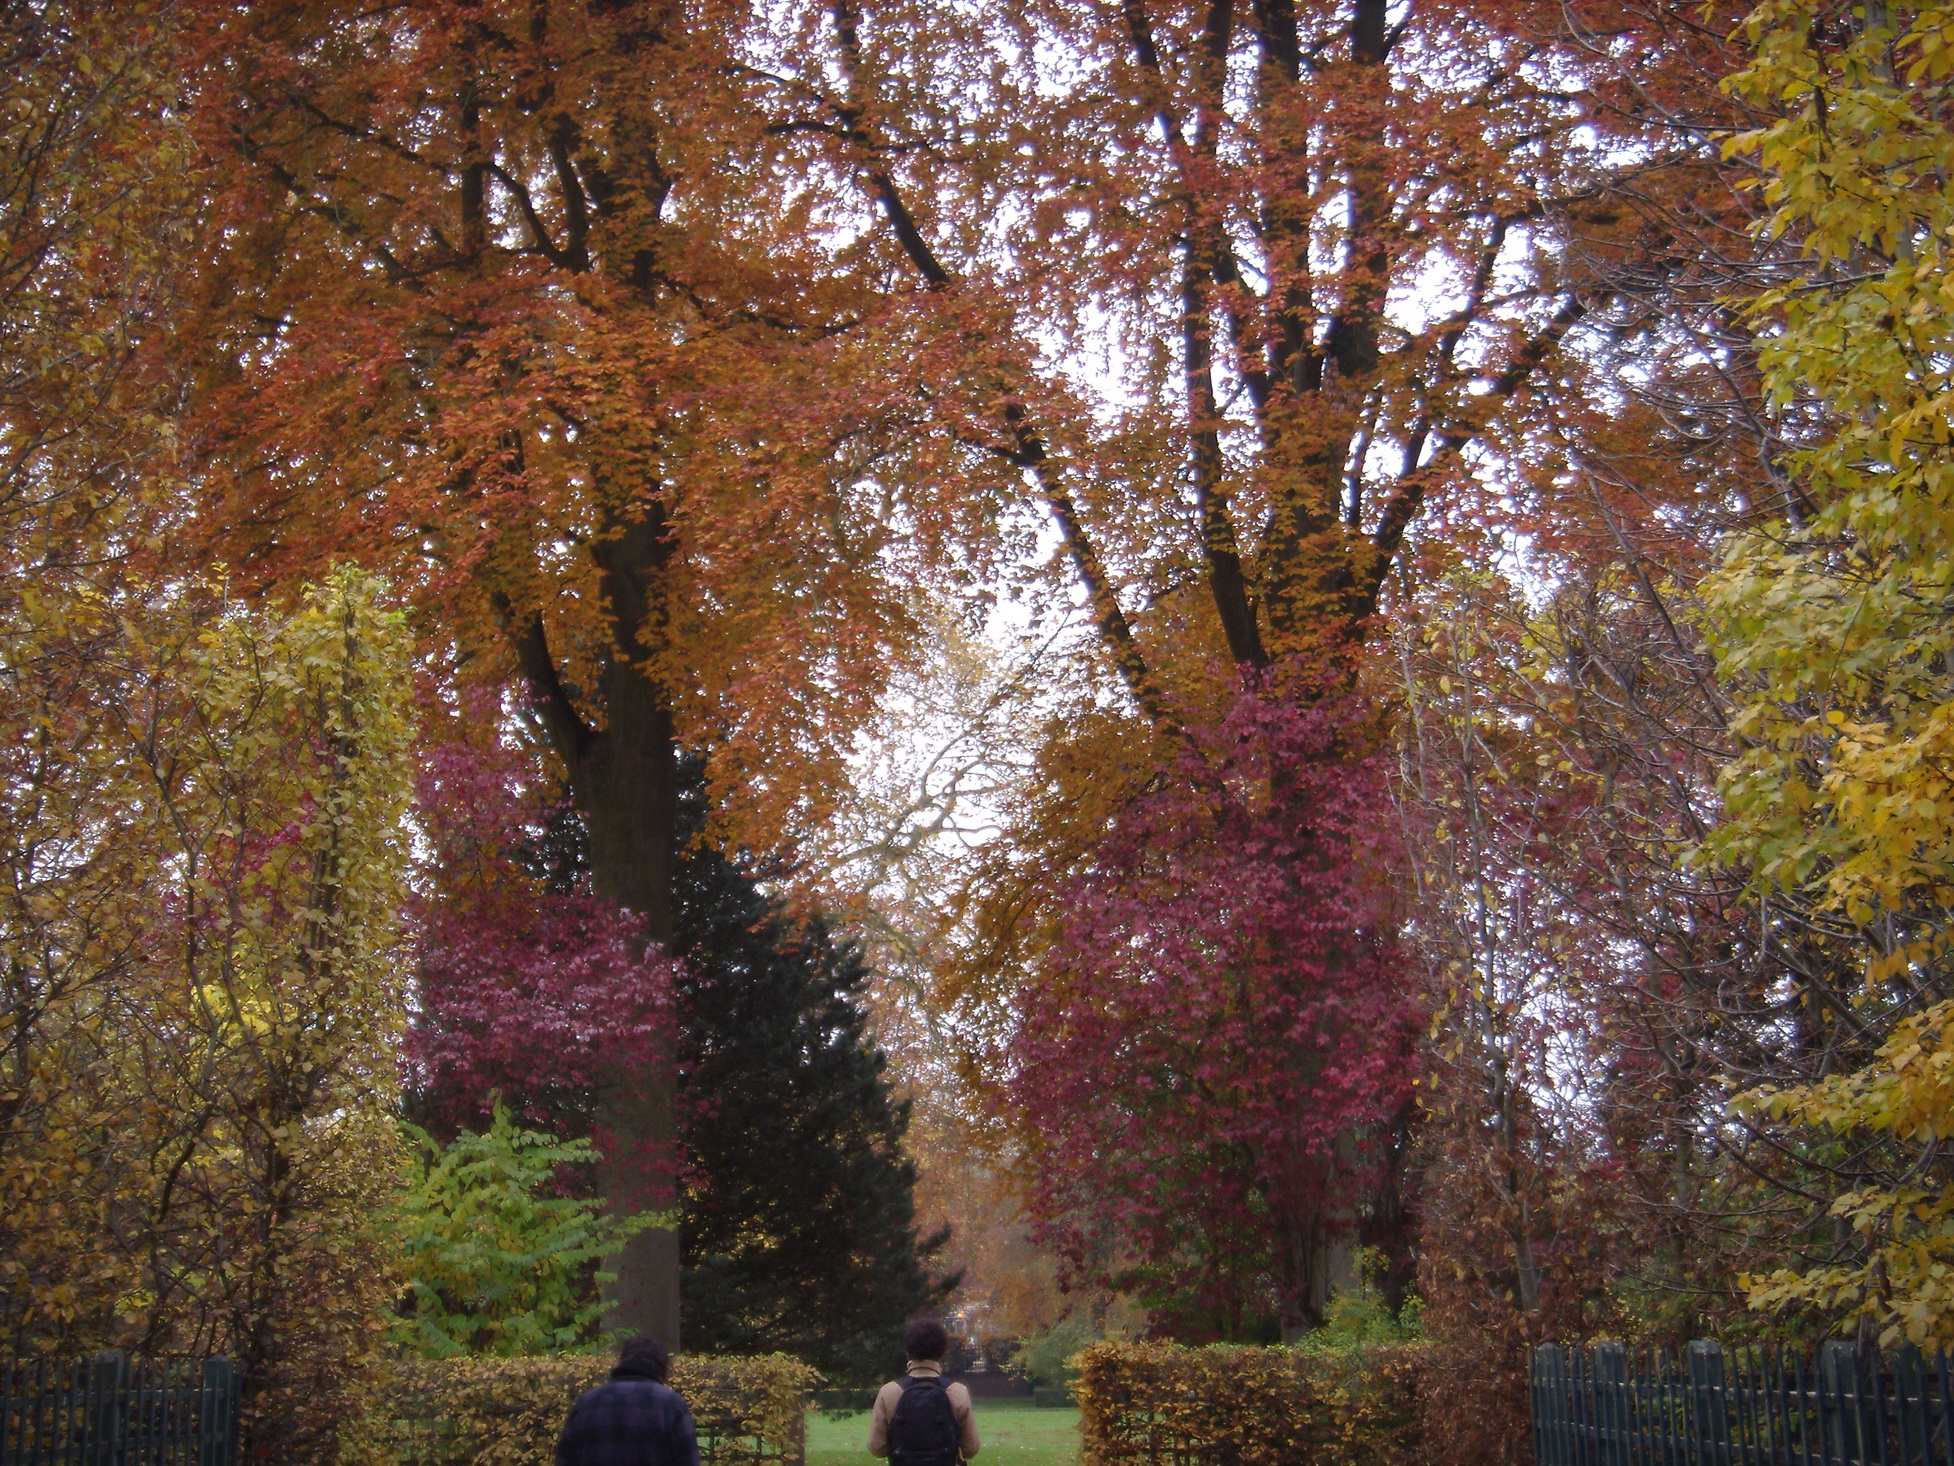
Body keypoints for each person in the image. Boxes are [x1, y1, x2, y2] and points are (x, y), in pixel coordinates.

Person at [556, 1335, 700, 1466]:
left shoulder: (587, 1403)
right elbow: (688, 1460)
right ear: (662, 1368)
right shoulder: (670, 1405)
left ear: (623, 1361)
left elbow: (565, 1459)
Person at [867, 1317, 981, 1466]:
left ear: (908, 1353)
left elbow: (877, 1448)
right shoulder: (957, 1391)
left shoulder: (889, 1391)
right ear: (942, 1354)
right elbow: (970, 1449)